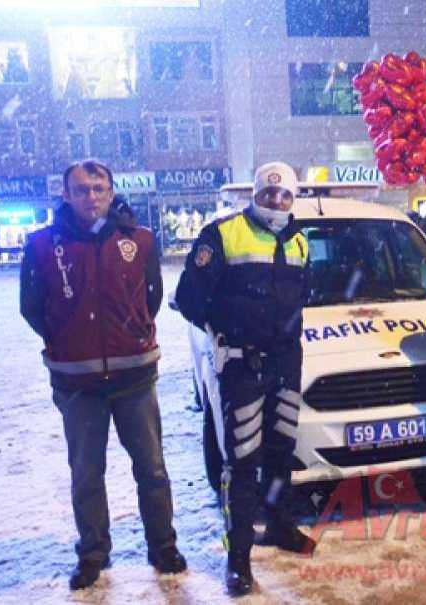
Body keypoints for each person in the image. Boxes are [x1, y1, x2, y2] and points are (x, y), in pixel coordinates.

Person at [19, 160, 186, 590]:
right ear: (66, 195)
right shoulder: (41, 246)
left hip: (134, 378)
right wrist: (69, 339)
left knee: (151, 469)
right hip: (77, 385)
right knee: (86, 474)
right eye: (81, 189)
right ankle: (93, 553)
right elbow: (31, 307)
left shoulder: (140, 241)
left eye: (98, 188)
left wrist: (125, 336)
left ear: (111, 192)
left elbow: (151, 298)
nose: (90, 196)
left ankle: (162, 546)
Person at [174, 161, 313, 596]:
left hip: (286, 363)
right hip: (243, 366)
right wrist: (224, 331)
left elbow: (300, 298)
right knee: (242, 461)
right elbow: (188, 298)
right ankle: (239, 558)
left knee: (281, 449)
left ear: (293, 198)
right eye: (268, 193)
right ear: (255, 194)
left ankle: (280, 525)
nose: (276, 200)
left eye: (284, 194)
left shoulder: (300, 242)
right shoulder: (223, 234)